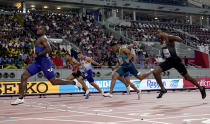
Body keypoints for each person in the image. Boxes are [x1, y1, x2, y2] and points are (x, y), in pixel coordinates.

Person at [11, 26, 82, 105]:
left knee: (54, 82)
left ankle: (74, 82)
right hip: (38, 63)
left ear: (44, 31)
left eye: (40, 29)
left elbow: (49, 49)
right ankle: (20, 98)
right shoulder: (39, 38)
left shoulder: (43, 38)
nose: (38, 29)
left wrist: (38, 54)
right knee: (24, 76)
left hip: (45, 62)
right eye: (38, 28)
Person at [153, 30, 206, 99]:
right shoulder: (161, 41)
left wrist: (174, 37)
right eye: (156, 33)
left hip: (176, 61)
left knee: (187, 77)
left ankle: (201, 88)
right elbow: (166, 51)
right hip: (168, 61)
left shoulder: (169, 37)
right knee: (155, 72)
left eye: (158, 33)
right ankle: (163, 89)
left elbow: (179, 39)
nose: (157, 34)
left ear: (162, 33)